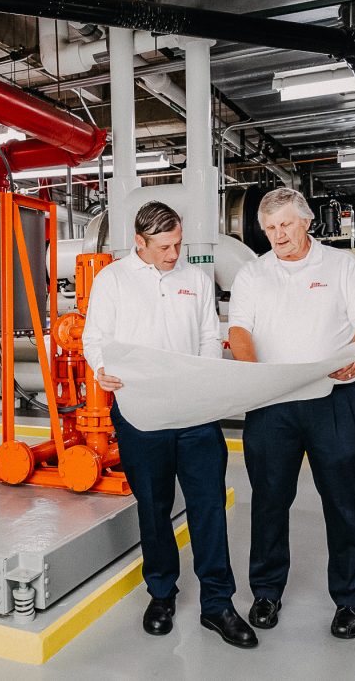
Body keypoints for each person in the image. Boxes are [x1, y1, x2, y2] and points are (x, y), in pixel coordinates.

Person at [82, 201, 257, 649]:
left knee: (208, 507)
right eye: (164, 246)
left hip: (195, 414)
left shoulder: (195, 280)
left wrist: (203, 380)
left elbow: (205, 337)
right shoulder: (113, 280)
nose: (173, 254)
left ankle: (218, 603)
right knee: (154, 508)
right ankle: (161, 594)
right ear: (139, 242)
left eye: (177, 243)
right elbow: (94, 338)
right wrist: (102, 367)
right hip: (141, 414)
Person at [227, 187, 355, 640]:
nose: (279, 235)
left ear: (307, 222)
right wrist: (253, 374)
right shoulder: (252, 275)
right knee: (270, 501)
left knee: (343, 501)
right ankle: (266, 592)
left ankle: (350, 601)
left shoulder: (341, 266)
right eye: (270, 228)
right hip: (272, 403)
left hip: (333, 399)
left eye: (286, 225)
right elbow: (240, 330)